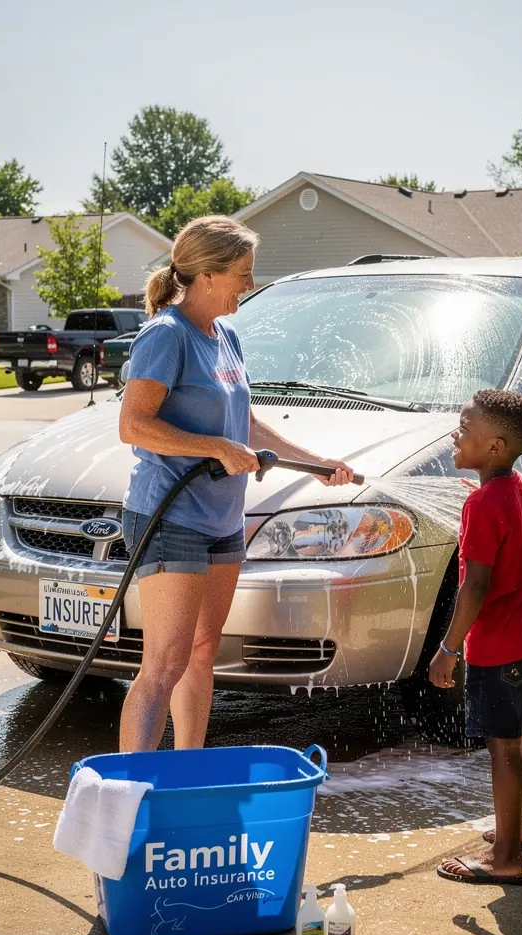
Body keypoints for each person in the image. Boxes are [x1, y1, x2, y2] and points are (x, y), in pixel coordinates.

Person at [118, 216, 354, 753]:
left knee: (202, 651)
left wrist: (315, 463)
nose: (250, 284)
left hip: (221, 516)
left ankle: (189, 771)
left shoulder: (225, 337)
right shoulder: (166, 335)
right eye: (243, 273)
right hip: (170, 517)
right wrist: (216, 448)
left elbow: (245, 423)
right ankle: (131, 788)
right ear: (207, 275)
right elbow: (134, 425)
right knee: (164, 664)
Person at [432, 390, 522, 885]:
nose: (455, 435)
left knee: (503, 748)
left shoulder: (483, 503)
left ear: (495, 447)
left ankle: (505, 857)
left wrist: (448, 649)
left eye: (465, 429)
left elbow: (475, 586)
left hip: (500, 642)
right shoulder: (519, 486)